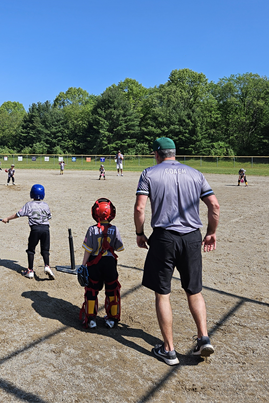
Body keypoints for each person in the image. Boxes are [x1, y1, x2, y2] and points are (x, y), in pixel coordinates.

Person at [134, 137, 220, 366]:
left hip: (164, 238)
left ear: (157, 154)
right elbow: (214, 205)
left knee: (163, 293)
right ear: (174, 153)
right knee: (194, 291)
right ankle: (203, 338)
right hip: (192, 238)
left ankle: (169, 350)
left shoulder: (148, 173)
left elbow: (140, 207)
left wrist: (140, 233)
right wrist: (211, 232)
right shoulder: (195, 173)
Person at [79, 198, 125, 329]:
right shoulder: (114, 229)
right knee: (112, 289)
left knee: (91, 290)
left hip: (94, 263)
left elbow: (88, 250)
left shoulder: (91, 230)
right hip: (110, 263)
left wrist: (83, 265)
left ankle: (91, 319)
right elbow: (118, 247)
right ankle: (112, 319)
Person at [4, 184, 55, 280]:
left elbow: (18, 214)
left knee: (31, 249)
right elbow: (49, 217)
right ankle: (47, 266)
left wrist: (7, 218)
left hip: (35, 229)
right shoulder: (45, 205)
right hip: (45, 229)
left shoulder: (29, 205)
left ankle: (30, 270)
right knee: (45, 250)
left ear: (32, 193)